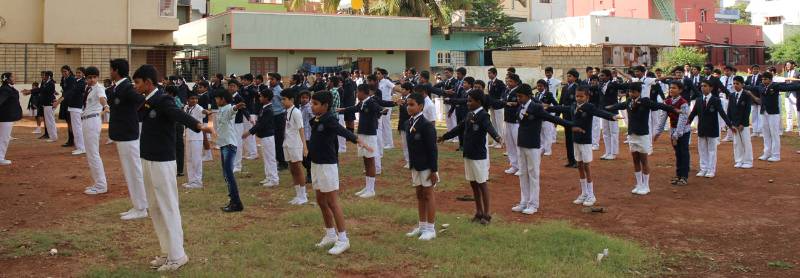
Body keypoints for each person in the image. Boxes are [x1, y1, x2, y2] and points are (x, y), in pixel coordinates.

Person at [133, 64, 211, 271]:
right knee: (155, 207)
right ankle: (166, 251)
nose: (135, 86)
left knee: (167, 206)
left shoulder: (163, 99)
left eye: (137, 82)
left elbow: (178, 115)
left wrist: (199, 126)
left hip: (162, 161)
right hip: (148, 159)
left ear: (148, 82)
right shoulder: (147, 101)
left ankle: (178, 255)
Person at [308, 90, 371, 255]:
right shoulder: (316, 119)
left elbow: (343, 131)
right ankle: (330, 234)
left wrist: (359, 141)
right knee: (321, 201)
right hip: (316, 164)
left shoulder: (329, 119)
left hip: (327, 166)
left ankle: (343, 239)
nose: (312, 106)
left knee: (332, 202)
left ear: (325, 105)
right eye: (311, 103)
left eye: (315, 104)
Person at [439, 90, 503, 225]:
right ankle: (478, 212)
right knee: (473, 184)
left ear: (478, 102)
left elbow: (489, 127)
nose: (468, 103)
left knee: (482, 184)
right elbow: (459, 128)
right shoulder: (469, 114)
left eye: (470, 101)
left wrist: (497, 136)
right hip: (468, 154)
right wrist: (444, 137)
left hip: (478, 155)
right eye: (467, 100)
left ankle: (487, 214)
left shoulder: (484, 115)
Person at [547, 86, 619, 206]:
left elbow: (599, 112)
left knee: (586, 166)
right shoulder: (574, 106)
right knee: (579, 165)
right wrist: (549, 107)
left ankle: (591, 195)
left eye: (581, 96)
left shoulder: (589, 107)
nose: (579, 98)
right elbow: (563, 108)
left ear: (587, 97)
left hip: (585, 141)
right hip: (576, 140)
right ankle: (584, 193)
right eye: (577, 96)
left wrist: (611, 116)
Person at [606, 83, 679, 194]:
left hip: (642, 135)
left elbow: (659, 105)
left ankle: (646, 185)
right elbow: (619, 106)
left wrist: (673, 109)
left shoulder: (645, 101)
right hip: (632, 134)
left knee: (644, 160)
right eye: (630, 92)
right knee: (635, 159)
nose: (631, 94)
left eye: (633, 92)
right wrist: (607, 108)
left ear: (639, 92)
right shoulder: (629, 102)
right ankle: (639, 184)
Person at [513, 84, 574, 214]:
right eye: (517, 96)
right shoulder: (520, 106)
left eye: (520, 96)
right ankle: (524, 201)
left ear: (529, 96)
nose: (518, 99)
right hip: (521, 143)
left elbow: (551, 118)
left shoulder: (536, 107)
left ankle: (533, 204)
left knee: (533, 174)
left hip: (533, 145)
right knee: (523, 173)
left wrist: (571, 125)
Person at [338, 84, 388, 199]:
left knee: (370, 161)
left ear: (363, 93)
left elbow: (379, 108)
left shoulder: (370, 102)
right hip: (362, 134)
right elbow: (355, 108)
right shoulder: (362, 103)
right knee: (365, 161)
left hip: (369, 135)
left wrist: (383, 110)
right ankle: (367, 187)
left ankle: (371, 189)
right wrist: (342, 109)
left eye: (357, 92)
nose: (356, 94)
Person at [403, 92, 439, 240]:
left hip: (427, 166)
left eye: (412, 104)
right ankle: (422, 225)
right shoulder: (408, 123)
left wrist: (434, 170)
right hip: (415, 165)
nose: (409, 107)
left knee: (428, 195)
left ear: (421, 106)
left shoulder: (426, 125)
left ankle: (431, 228)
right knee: (419, 194)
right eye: (407, 104)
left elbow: (432, 148)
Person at [746, 72, 800, 161]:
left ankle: (776, 155)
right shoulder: (760, 86)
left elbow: (789, 87)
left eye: (765, 79)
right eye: (762, 79)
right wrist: (743, 86)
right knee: (766, 133)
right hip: (763, 112)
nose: (763, 81)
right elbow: (751, 87)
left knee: (774, 134)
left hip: (773, 113)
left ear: (770, 79)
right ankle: (766, 153)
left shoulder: (775, 86)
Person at [687, 80, 735, 178]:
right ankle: (703, 168)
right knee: (702, 149)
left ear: (711, 88)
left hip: (712, 128)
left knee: (712, 150)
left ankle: (711, 169)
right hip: (701, 128)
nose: (702, 88)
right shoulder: (699, 100)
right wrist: (687, 123)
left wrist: (730, 125)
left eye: (705, 86)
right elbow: (693, 113)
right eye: (701, 86)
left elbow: (722, 113)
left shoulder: (716, 100)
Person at [79, 66, 110, 195]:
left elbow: (102, 98)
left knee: (93, 154)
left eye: (94, 77)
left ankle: (101, 185)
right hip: (87, 120)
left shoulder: (99, 88)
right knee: (91, 154)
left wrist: (106, 106)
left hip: (92, 120)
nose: (92, 79)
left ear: (97, 77)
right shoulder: (88, 88)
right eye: (89, 77)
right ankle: (98, 183)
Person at [656, 81, 692, 186]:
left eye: (674, 88)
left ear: (680, 90)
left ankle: (684, 176)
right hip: (673, 130)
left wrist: (676, 135)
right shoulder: (667, 102)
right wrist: (658, 132)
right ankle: (678, 174)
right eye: (670, 88)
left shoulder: (683, 103)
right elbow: (663, 117)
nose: (671, 90)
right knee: (677, 153)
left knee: (683, 152)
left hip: (683, 131)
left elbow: (683, 120)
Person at [280, 88, 309, 205]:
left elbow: (301, 129)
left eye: (284, 99)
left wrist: (305, 147)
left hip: (295, 144)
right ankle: (298, 194)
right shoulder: (287, 111)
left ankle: (303, 195)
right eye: (281, 99)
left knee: (298, 169)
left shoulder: (296, 112)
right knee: (292, 170)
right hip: (287, 143)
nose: (282, 101)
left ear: (291, 99)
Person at [244, 89, 278, 187]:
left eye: (261, 96)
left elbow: (262, 124)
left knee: (270, 158)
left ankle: (274, 179)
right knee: (266, 158)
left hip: (268, 136)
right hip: (264, 136)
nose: (259, 98)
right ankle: (269, 177)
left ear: (266, 98)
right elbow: (260, 122)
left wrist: (249, 132)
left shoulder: (268, 110)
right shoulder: (264, 108)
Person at [727, 76, 760, 169]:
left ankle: (748, 161)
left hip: (743, 123)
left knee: (746, 142)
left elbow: (747, 110)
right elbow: (729, 110)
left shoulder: (746, 95)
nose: (735, 85)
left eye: (737, 83)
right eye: (734, 83)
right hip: (734, 123)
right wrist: (730, 123)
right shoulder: (732, 95)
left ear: (742, 84)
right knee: (737, 143)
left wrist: (743, 123)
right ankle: (739, 160)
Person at [55, 67, 86, 155]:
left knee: (77, 128)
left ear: (83, 74)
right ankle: (79, 146)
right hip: (72, 106)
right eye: (77, 72)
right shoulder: (76, 81)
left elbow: (72, 91)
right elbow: (69, 91)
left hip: (77, 106)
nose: (77, 74)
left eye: (79, 73)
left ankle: (82, 147)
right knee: (75, 128)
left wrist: (59, 100)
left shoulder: (82, 82)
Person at [182, 94, 208, 189]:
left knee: (196, 160)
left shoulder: (198, 108)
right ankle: (191, 180)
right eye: (192, 98)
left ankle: (198, 181)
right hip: (188, 135)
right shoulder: (186, 107)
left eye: (196, 99)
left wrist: (208, 112)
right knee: (189, 159)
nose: (195, 100)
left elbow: (203, 111)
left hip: (196, 137)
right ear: (187, 99)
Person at [558, 69, 580, 168]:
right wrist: (557, 117)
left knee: (574, 139)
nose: (568, 78)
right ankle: (570, 160)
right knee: (568, 139)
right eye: (567, 76)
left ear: (575, 78)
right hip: (566, 117)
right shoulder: (564, 88)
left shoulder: (577, 88)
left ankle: (577, 160)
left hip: (574, 117)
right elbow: (560, 103)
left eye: (570, 76)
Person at [0, 72, 22, 166]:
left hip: (6, 117)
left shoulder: (7, 88)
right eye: (13, 77)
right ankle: (0, 158)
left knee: (3, 137)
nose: (15, 78)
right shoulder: (5, 89)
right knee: (4, 138)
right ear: (7, 79)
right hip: (5, 117)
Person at [268, 73, 288, 170]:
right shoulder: (270, 90)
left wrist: (283, 112)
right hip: (272, 116)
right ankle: (278, 160)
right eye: (270, 79)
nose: (270, 81)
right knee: (274, 139)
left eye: (272, 79)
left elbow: (285, 103)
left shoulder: (280, 91)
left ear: (278, 80)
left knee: (279, 140)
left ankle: (283, 162)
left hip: (279, 116)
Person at [533, 79, 559, 156]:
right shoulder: (536, 94)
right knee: (540, 134)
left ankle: (548, 150)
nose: (539, 87)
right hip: (538, 117)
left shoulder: (549, 94)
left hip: (547, 117)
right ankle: (542, 148)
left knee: (547, 134)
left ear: (544, 86)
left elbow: (556, 104)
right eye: (538, 86)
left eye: (541, 86)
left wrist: (548, 107)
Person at [240, 74, 260, 161]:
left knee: (250, 133)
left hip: (250, 113)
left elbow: (256, 94)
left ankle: (254, 153)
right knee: (244, 133)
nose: (243, 82)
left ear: (249, 81)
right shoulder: (242, 88)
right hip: (243, 112)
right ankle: (247, 152)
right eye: (242, 80)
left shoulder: (253, 89)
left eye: (244, 80)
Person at [487, 68, 506, 148]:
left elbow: (504, 91)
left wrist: (501, 99)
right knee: (494, 124)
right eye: (488, 73)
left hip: (498, 106)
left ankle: (501, 142)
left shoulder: (500, 82)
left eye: (490, 73)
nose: (489, 75)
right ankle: (495, 141)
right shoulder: (489, 82)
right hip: (492, 105)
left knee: (499, 124)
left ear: (495, 74)